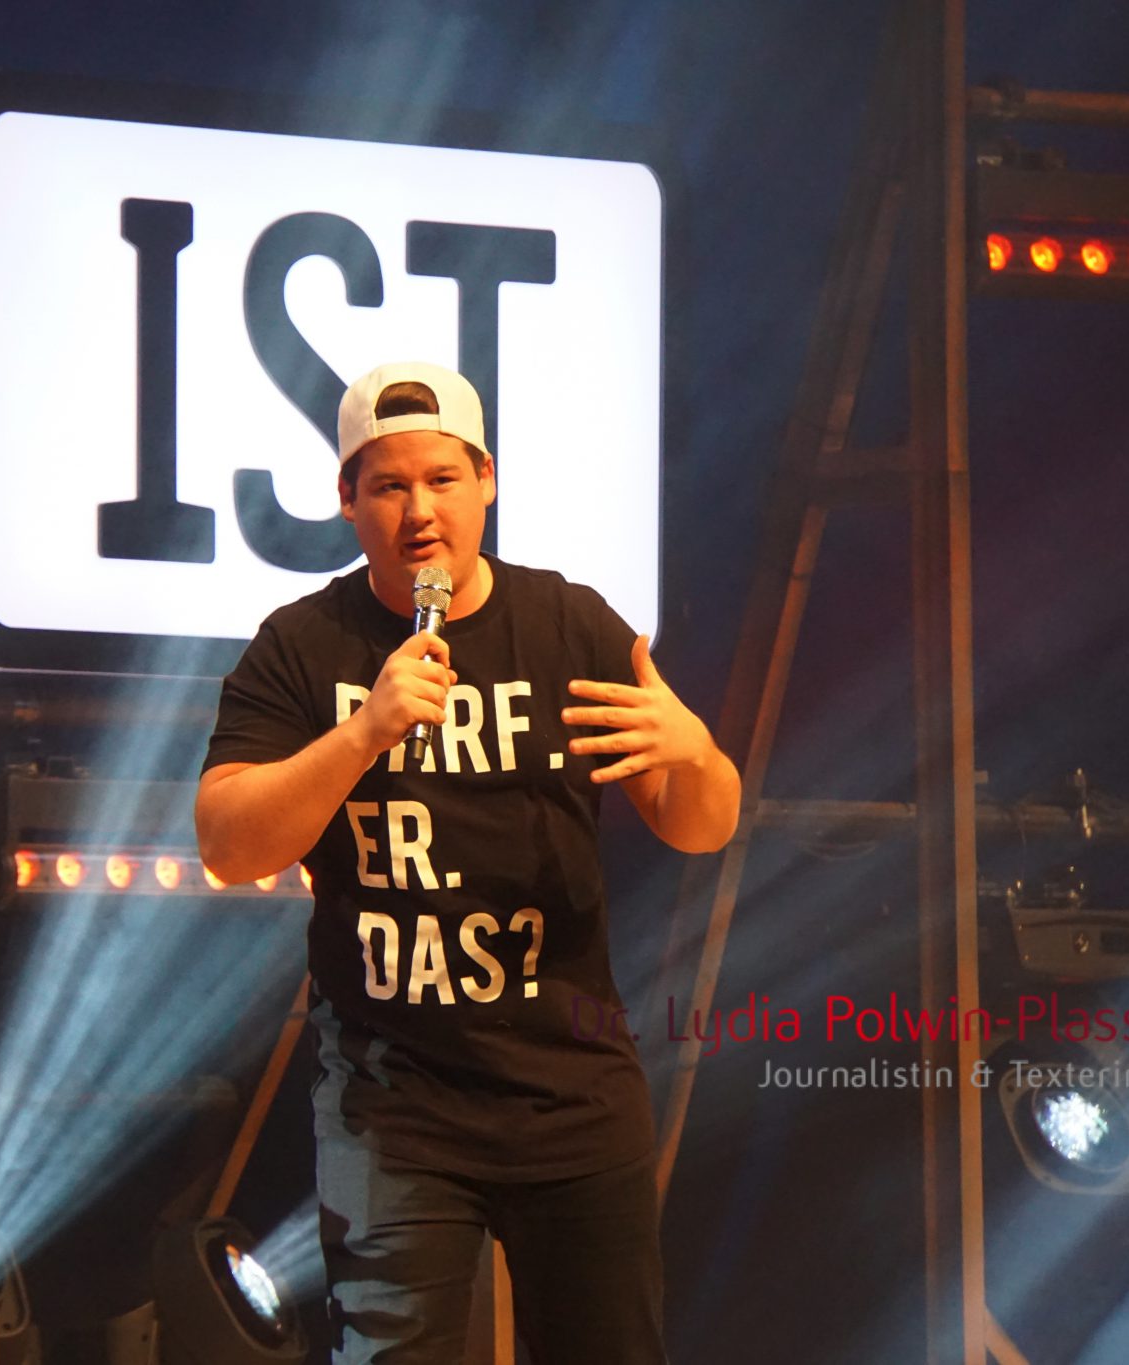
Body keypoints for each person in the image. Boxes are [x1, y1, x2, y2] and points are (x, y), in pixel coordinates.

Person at [196, 361, 740, 1363]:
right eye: (388, 485)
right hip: (390, 1104)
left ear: (486, 479)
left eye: (442, 479)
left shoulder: (567, 625)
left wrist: (696, 754)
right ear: (346, 498)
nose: (419, 512)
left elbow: (700, 825)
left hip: (569, 1094)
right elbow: (228, 844)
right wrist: (363, 732)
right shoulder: (303, 646)